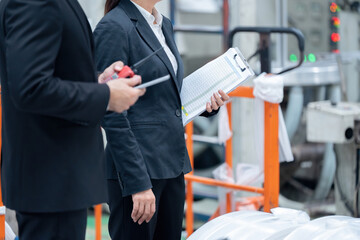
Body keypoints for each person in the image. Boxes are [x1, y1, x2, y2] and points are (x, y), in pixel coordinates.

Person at [0, 0, 146, 239]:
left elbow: (54, 73)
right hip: (52, 178)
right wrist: (106, 96)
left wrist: (98, 82)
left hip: (57, 180)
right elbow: (31, 88)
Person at [93, 0, 230, 239]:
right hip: (138, 171)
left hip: (171, 164)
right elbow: (111, 111)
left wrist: (207, 105)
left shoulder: (163, 24)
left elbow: (166, 96)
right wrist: (138, 183)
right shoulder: (114, 27)